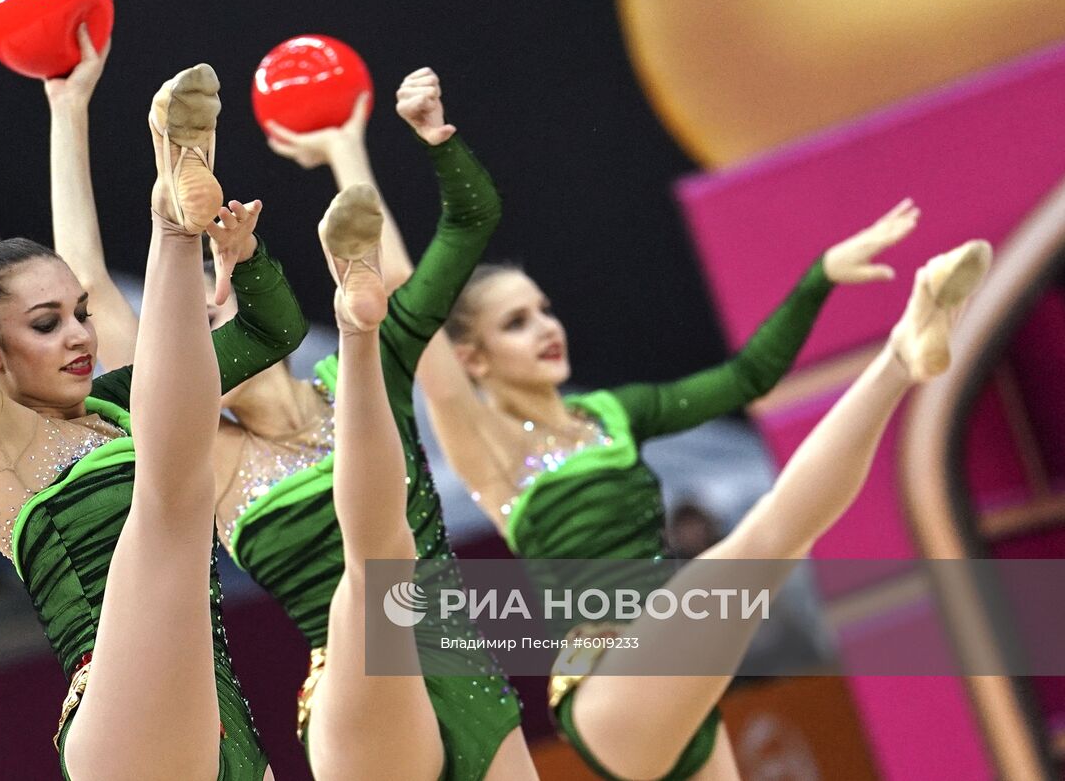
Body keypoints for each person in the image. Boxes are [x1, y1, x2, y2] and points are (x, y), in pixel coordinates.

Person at [0, 0, 307, 780]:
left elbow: (271, 329)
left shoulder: (120, 407)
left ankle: (180, 222)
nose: (81, 336)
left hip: (219, 716)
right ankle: (170, 219)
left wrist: (248, 256)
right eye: (47, 323)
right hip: (118, 717)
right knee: (174, 468)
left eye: (83, 313)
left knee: (173, 437)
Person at [52, 57, 534, 779]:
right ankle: (206, 213)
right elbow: (92, 290)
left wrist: (351, 148)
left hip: (461, 671)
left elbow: (462, 232)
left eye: (216, 291)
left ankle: (355, 317)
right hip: (356, 695)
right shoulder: (202, 454)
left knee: (395, 567)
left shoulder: (356, 387)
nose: (200, 322)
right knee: (376, 587)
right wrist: (68, 108)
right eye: (190, 323)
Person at [425, 185, 991, 780]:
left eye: (544, 310)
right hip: (608, 681)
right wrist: (346, 152)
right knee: (768, 539)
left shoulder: (615, 413)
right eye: (516, 323)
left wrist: (819, 276)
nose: (545, 327)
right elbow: (405, 302)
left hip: (674, 659)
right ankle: (900, 358)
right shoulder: (491, 448)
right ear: (472, 360)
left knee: (774, 540)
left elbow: (747, 376)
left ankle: (901, 358)